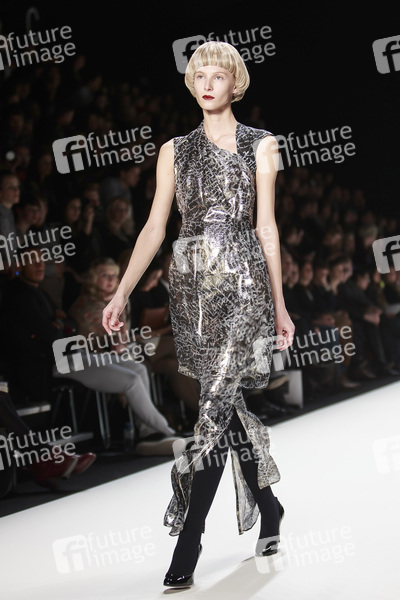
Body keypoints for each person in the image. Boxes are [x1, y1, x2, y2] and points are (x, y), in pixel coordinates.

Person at [102, 41, 295, 588]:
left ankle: (190, 536)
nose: (208, 84)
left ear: (237, 83)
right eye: (200, 75)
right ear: (191, 84)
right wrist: (121, 292)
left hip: (244, 286)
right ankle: (270, 506)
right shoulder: (174, 150)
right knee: (224, 406)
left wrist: (280, 303)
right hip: (191, 291)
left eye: (219, 75)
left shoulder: (262, 144)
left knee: (211, 410)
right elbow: (154, 228)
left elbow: (266, 226)